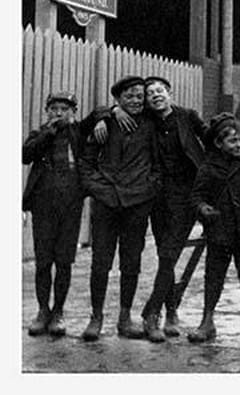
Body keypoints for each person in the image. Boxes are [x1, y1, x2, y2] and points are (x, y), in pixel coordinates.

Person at [78, 76, 163, 342]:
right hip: (106, 202)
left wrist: (149, 189)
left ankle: (124, 318)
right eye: (130, 96)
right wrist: (97, 188)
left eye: (140, 96)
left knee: (131, 262)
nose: (137, 100)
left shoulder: (151, 124)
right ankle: (96, 317)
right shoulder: (104, 124)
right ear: (118, 99)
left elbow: (159, 163)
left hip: (137, 202)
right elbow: (86, 161)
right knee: (100, 261)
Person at [22, 92, 110, 337]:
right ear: (46, 111)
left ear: (73, 112)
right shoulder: (39, 134)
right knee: (43, 261)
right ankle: (42, 311)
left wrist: (102, 120)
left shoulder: (78, 132)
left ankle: (58, 312)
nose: (58, 113)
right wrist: (49, 132)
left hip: (70, 205)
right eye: (53, 108)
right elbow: (25, 154)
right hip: (43, 204)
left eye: (64, 108)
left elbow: (102, 109)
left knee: (63, 261)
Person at [139, 76, 208, 342]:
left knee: (169, 255)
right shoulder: (145, 120)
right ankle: (170, 312)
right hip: (158, 197)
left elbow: (211, 137)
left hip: (186, 195)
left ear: (170, 93)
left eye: (160, 91)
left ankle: (151, 313)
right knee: (164, 254)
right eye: (150, 93)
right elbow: (112, 112)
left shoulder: (187, 116)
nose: (155, 95)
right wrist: (114, 110)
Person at [187, 113, 240, 344]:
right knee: (214, 276)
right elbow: (196, 196)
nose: (239, 145)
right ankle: (207, 321)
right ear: (219, 144)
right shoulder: (208, 168)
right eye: (233, 141)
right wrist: (203, 208)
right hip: (219, 229)